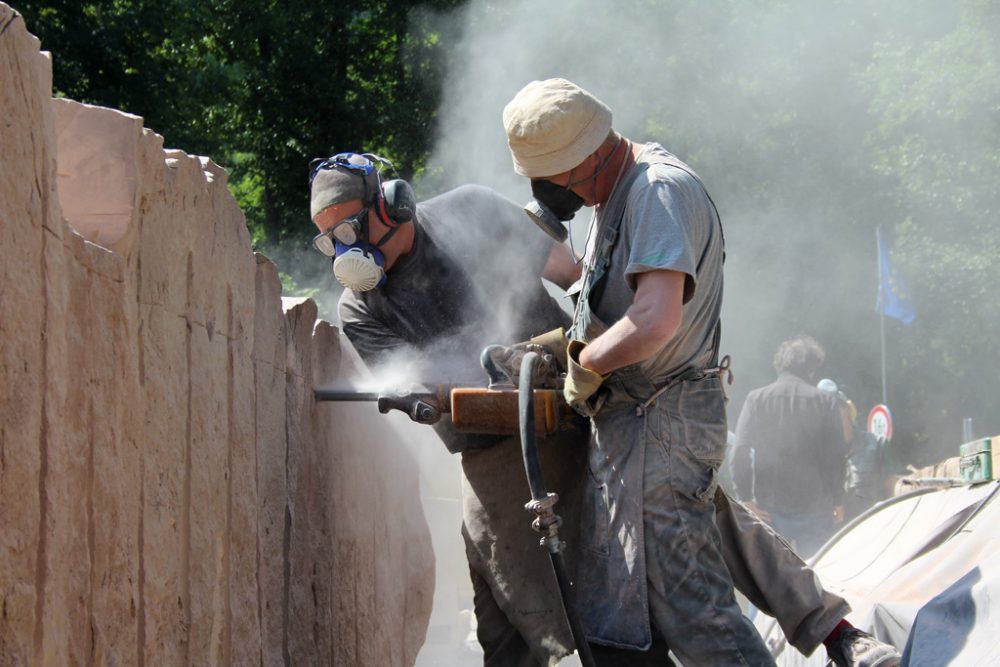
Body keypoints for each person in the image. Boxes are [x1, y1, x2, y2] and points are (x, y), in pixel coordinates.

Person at [308, 148, 898, 664]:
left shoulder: (471, 212)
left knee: (695, 508)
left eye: (352, 230)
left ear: (393, 204)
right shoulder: (359, 308)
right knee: (513, 605)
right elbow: (433, 395)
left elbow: (578, 281)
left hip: (586, 397)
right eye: (330, 240)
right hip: (495, 449)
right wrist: (466, 391)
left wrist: (587, 355)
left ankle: (834, 629)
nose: (345, 252)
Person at [501, 78, 901, 667]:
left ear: (584, 157)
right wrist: (561, 327)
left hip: (660, 419)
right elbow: (607, 293)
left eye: (556, 181)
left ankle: (837, 634)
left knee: (694, 610)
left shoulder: (657, 191)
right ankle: (839, 634)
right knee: (716, 534)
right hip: (646, 425)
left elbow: (656, 318)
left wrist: (586, 365)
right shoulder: (615, 194)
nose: (558, 195)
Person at [730, 336, 852, 557]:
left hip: (769, 508)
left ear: (780, 365)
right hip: (816, 507)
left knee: (771, 579)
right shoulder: (825, 402)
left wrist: (745, 497)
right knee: (815, 576)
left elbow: (739, 451)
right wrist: (838, 499)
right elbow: (836, 456)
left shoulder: (756, 399)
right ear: (812, 369)